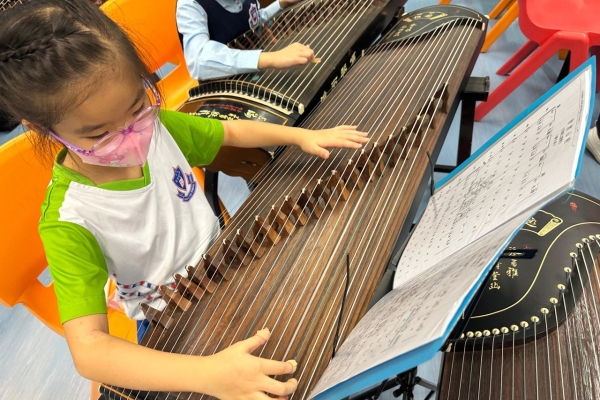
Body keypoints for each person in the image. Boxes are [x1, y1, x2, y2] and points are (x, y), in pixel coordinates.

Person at [0, 0, 368, 398]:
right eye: (99, 134)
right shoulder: (70, 218)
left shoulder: (157, 128)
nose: (133, 135)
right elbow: (89, 350)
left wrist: (301, 136)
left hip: (226, 260)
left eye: (137, 106)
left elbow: (229, 133)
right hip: (171, 316)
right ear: (40, 127)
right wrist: (208, 375)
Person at [177, 0, 315, 81]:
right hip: (223, 88)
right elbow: (198, 61)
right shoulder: (190, 4)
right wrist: (272, 58)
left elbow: (253, 20)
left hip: (255, 74)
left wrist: (281, 4)